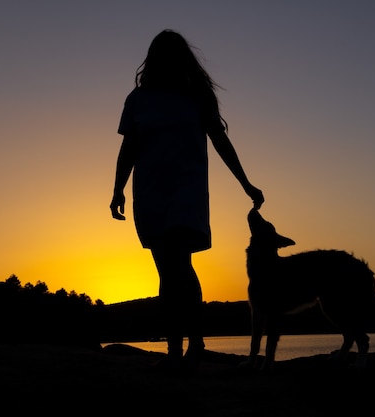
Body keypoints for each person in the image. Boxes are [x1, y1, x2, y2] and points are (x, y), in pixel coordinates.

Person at [110, 29, 264, 372]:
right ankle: (181, 345)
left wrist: (246, 183)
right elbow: (128, 149)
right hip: (150, 193)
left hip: (186, 193)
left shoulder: (197, 96)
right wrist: (117, 189)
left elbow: (221, 142)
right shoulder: (138, 100)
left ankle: (189, 345)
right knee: (169, 270)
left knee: (178, 263)